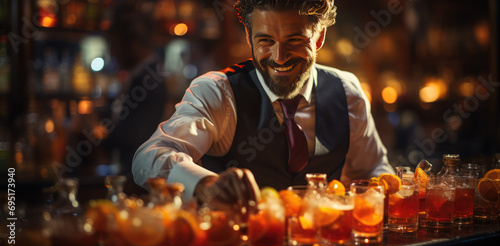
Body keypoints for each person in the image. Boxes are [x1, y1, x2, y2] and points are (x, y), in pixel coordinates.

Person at [132, 0, 394, 208]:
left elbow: (374, 169)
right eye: (266, 41)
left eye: (294, 40)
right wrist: (206, 185)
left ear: (319, 36)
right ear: (248, 35)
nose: (279, 58)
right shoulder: (217, 92)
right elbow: (149, 157)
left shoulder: (347, 91)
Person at [103, 2, 170, 176]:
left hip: (138, 177)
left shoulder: (148, 80)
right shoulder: (144, 75)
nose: (113, 52)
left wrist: (99, 136)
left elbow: (133, 139)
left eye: (114, 45)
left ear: (132, 44)